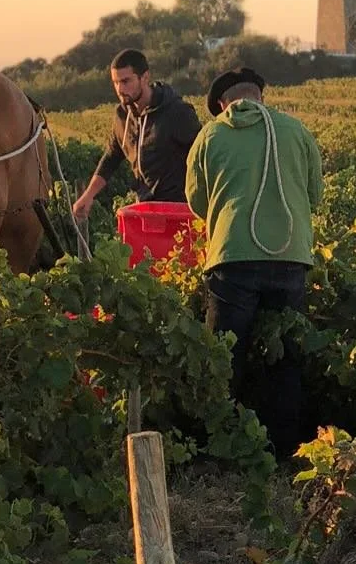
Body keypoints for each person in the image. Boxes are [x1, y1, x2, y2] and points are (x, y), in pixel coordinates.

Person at [186, 66, 323, 458]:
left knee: (225, 356)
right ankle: (284, 451)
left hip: (232, 260)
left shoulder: (210, 135)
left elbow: (197, 201)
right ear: (260, 96)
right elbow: (315, 195)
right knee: (286, 357)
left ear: (222, 105)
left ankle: (224, 450)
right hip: (291, 258)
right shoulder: (295, 130)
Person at [72, 49, 202, 221]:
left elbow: (203, 155)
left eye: (126, 81)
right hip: (144, 211)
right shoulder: (122, 116)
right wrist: (88, 196)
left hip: (177, 212)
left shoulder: (177, 112)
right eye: (116, 82)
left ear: (145, 77)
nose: (120, 89)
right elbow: (111, 157)